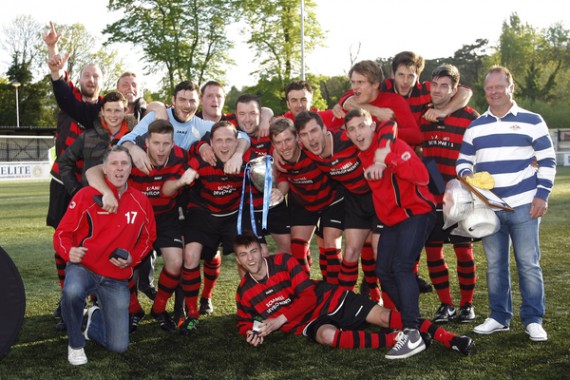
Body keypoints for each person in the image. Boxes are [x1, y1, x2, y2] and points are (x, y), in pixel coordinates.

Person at [235, 231, 474, 358]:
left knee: (383, 317)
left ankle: (450, 339)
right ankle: (397, 339)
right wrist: (250, 333)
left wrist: (279, 320)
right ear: (238, 260)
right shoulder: (244, 292)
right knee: (328, 337)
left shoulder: (283, 262)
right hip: (309, 322)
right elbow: (244, 321)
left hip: (329, 299)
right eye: (244, 255)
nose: (251, 259)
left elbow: (308, 296)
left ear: (262, 251)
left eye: (254, 251)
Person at [456, 65, 556, 342]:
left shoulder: (532, 120)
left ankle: (533, 319)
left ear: (511, 88)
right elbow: (463, 161)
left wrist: (542, 195)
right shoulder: (475, 126)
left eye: (499, 87)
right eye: (489, 88)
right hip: (489, 209)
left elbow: (547, 160)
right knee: (496, 264)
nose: (494, 92)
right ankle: (499, 317)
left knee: (528, 263)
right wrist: (467, 176)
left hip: (525, 203)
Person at [162, 121, 283, 336]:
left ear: (237, 143)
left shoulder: (247, 160)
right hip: (203, 215)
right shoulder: (200, 159)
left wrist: (275, 188)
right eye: (218, 140)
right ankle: (192, 313)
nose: (224, 145)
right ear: (210, 143)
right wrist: (184, 177)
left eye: (229, 140)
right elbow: (168, 188)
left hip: (233, 215)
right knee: (190, 255)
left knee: (254, 254)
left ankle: (255, 307)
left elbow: (273, 173)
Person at [345, 108, 437, 359]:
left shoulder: (390, 145)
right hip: (392, 220)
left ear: (372, 126)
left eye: (362, 126)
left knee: (401, 266)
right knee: (383, 270)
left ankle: (410, 331)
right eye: (351, 129)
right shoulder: (363, 154)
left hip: (417, 213)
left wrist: (388, 161)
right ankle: (415, 325)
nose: (357, 133)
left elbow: (422, 176)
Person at [53, 145, 156, 365]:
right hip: (85, 267)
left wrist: (133, 259)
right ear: (105, 169)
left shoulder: (141, 202)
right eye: (114, 164)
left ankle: (94, 320)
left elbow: (148, 239)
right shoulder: (86, 195)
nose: (119, 169)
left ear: (131, 169)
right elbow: (63, 233)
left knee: (118, 346)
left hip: (115, 277)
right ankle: (75, 343)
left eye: (124, 164)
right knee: (71, 291)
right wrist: (68, 251)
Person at [86, 120, 189, 332]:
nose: (161, 149)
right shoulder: (132, 158)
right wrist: (106, 192)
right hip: (135, 219)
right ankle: (134, 309)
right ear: (147, 143)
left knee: (176, 262)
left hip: (166, 218)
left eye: (166, 144)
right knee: (124, 263)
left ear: (173, 144)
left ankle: (159, 308)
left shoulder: (182, 157)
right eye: (156, 143)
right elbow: (92, 172)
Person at [43, 21, 104, 329]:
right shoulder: (68, 100)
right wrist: (53, 48)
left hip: (91, 186)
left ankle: (90, 299)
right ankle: (67, 297)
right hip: (62, 183)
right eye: (87, 75)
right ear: (78, 79)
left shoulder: (106, 111)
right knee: (61, 240)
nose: (91, 79)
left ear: (101, 83)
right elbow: (58, 78)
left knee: (92, 241)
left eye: (96, 76)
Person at [294, 111, 383, 301]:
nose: (311, 138)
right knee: (350, 251)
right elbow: (280, 140)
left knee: (379, 253)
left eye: (314, 131)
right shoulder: (307, 151)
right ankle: (343, 302)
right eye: (304, 134)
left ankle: (383, 300)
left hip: (379, 197)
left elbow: (387, 126)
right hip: (354, 200)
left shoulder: (346, 137)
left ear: (325, 129)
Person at [419, 64, 480, 324]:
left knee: (463, 251)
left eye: (445, 86)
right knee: (433, 251)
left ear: (455, 89)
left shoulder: (469, 116)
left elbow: (482, 151)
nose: (438, 90)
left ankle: (467, 305)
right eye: (435, 84)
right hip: (431, 195)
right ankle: (446, 305)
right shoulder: (423, 114)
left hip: (460, 195)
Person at [118, 80, 250, 176]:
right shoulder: (156, 117)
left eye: (192, 101)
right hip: (150, 180)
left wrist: (238, 155)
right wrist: (133, 149)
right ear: (173, 100)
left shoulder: (202, 125)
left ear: (198, 103)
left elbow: (243, 137)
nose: (187, 105)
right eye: (182, 100)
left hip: (179, 185)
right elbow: (124, 141)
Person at [269, 117, 344, 283]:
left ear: (297, 138)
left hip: (331, 200)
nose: (284, 146)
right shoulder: (278, 158)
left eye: (288, 140)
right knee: (297, 246)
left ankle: (334, 292)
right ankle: (305, 289)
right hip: (303, 202)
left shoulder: (311, 149)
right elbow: (283, 179)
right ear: (273, 145)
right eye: (278, 143)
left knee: (331, 245)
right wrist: (280, 193)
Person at [235, 94, 291, 256]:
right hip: (246, 206)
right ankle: (249, 282)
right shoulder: (229, 130)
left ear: (260, 114)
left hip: (272, 202)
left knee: (288, 247)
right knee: (256, 253)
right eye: (242, 114)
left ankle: (282, 280)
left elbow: (284, 172)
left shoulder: (272, 132)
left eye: (253, 113)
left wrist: (281, 191)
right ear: (235, 115)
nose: (247, 119)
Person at [333, 60, 422, 147]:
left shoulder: (394, 101)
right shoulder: (349, 104)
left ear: (375, 84)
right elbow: (331, 137)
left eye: (360, 82)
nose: (354, 88)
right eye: (353, 82)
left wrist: (381, 129)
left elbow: (416, 136)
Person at [381, 51, 472, 127]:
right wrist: (375, 110)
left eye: (410, 76)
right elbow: (366, 99)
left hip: (412, 144)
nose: (405, 81)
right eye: (401, 75)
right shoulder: (384, 88)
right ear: (393, 74)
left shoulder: (424, 90)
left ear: (417, 76)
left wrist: (443, 112)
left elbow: (465, 91)